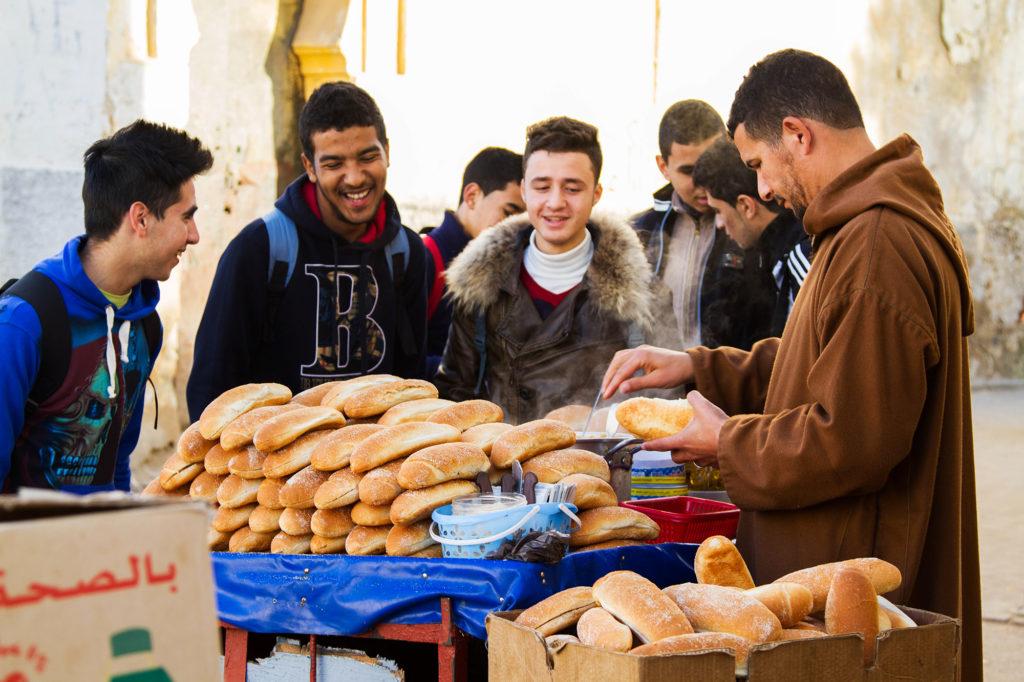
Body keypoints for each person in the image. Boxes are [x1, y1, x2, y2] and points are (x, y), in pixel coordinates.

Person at [603, 49, 980, 680]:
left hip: (858, 587)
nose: (762, 189)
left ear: (799, 136)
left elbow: (853, 438)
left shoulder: (878, 242)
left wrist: (729, 441)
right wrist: (697, 367)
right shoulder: (859, 229)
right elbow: (825, 357)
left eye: (758, 164)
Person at [187, 82, 428, 420]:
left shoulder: (407, 254)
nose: (355, 177)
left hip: (372, 466)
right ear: (310, 166)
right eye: (333, 164)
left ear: (388, 151)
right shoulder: (260, 250)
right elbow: (212, 388)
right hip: (274, 467)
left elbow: (414, 385)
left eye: (368, 156)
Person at [0, 120, 213, 492]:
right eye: (187, 216)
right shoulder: (23, 323)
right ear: (141, 218)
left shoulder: (145, 324)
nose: (194, 235)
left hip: (103, 545)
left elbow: (116, 466)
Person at [435, 117, 661, 423]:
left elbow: (662, 402)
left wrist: (601, 421)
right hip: (502, 465)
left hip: (601, 465)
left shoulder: (641, 294)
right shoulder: (480, 285)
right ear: (524, 191)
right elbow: (454, 397)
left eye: (572, 188)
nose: (555, 202)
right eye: (542, 187)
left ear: (596, 194)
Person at [632, 100, 762, 350]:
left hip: (734, 383)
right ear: (663, 167)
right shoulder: (640, 233)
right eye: (689, 170)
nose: (702, 181)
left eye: (709, 164)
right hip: (658, 386)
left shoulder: (753, 223)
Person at [692, 136, 811, 342]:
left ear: (746, 206)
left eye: (718, 211)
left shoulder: (799, 257)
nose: (719, 224)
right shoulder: (767, 254)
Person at [422, 147, 524, 377]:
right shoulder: (424, 258)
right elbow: (400, 361)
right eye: (509, 212)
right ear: (472, 196)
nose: (518, 229)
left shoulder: (509, 268)